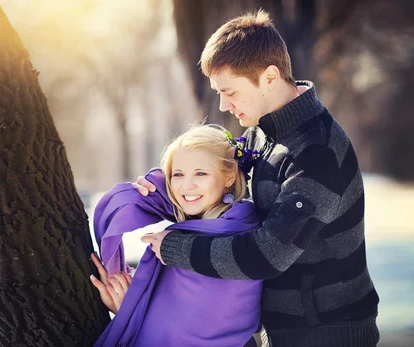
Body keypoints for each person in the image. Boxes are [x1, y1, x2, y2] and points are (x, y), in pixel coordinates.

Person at [138, 10, 380, 347]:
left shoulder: (317, 153)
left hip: (328, 332)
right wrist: (157, 188)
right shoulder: (261, 134)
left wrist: (175, 247)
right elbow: (213, 171)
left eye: (231, 92)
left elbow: (267, 255)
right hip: (278, 328)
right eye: (219, 93)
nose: (223, 105)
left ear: (269, 77)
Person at [89, 124, 265, 347]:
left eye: (201, 173)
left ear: (229, 177)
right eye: (177, 174)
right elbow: (117, 206)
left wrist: (131, 309)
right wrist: (150, 186)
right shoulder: (194, 223)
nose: (186, 186)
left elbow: (190, 331)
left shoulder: (237, 233)